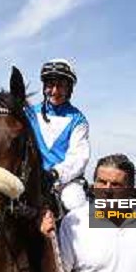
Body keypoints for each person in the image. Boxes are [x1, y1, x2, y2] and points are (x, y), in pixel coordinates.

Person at [25, 59, 90, 215]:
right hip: (31, 178)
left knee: (75, 203)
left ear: (69, 89)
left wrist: (55, 174)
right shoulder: (30, 113)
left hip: (64, 182)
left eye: (60, 86)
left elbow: (79, 157)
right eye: (50, 85)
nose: (54, 91)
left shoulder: (78, 120)